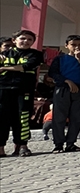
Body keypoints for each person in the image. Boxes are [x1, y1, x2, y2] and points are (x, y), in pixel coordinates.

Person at [46, 35, 80, 153]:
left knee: (76, 117)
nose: (77, 47)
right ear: (66, 46)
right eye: (73, 45)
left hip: (79, 90)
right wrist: (66, 81)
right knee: (59, 117)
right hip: (63, 89)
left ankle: (71, 143)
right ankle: (58, 144)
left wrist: (79, 59)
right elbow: (53, 73)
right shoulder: (60, 59)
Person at [0, 29, 44, 157]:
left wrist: (3, 68)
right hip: (3, 89)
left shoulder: (36, 54)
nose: (26, 41)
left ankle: (22, 146)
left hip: (24, 90)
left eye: (29, 39)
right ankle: (1, 148)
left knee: (22, 118)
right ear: (14, 40)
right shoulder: (4, 54)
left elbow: (26, 66)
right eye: (22, 38)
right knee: (2, 118)